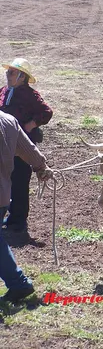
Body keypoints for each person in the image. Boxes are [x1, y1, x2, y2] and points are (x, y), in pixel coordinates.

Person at [0, 111, 53, 303]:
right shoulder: (7, 120)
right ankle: (18, 283)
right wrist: (41, 167)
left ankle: (19, 283)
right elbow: (27, 149)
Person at [1, 58, 53, 232]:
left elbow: (46, 112)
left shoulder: (30, 95)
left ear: (22, 77)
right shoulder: (3, 91)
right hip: (5, 144)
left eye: (12, 72)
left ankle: (18, 220)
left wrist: (30, 125)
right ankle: (7, 213)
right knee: (6, 178)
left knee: (20, 182)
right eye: (8, 72)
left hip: (22, 145)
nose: (8, 75)